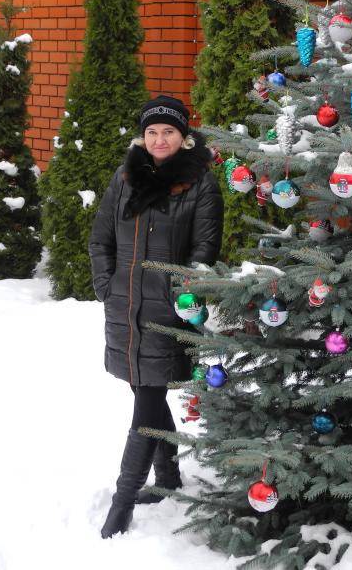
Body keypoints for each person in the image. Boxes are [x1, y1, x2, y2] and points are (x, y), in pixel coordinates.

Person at [88, 95, 224, 539]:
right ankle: (167, 477)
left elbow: (204, 252)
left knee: (146, 403)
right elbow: (101, 239)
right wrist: (106, 286)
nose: (160, 139)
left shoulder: (200, 183)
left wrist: (178, 296)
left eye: (168, 131)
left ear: (184, 137)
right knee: (145, 390)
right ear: (143, 136)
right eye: (152, 132)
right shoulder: (126, 177)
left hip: (168, 312)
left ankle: (122, 502)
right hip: (124, 306)